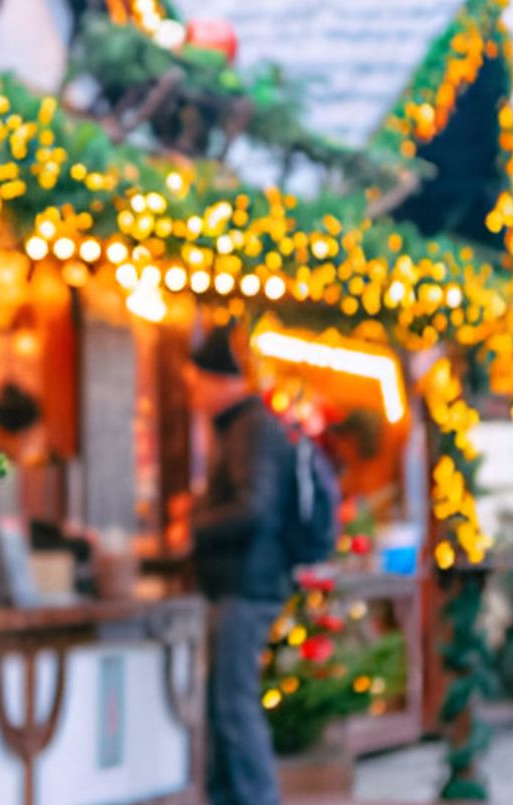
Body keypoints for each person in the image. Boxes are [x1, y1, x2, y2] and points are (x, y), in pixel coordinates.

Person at [189, 323, 294, 805]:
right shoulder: (244, 427)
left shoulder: (250, 429)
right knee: (226, 707)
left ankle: (254, 798)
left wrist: (194, 524)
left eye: (197, 382)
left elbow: (253, 507)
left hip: (246, 585)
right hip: (242, 583)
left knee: (233, 707)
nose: (193, 394)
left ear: (217, 380)